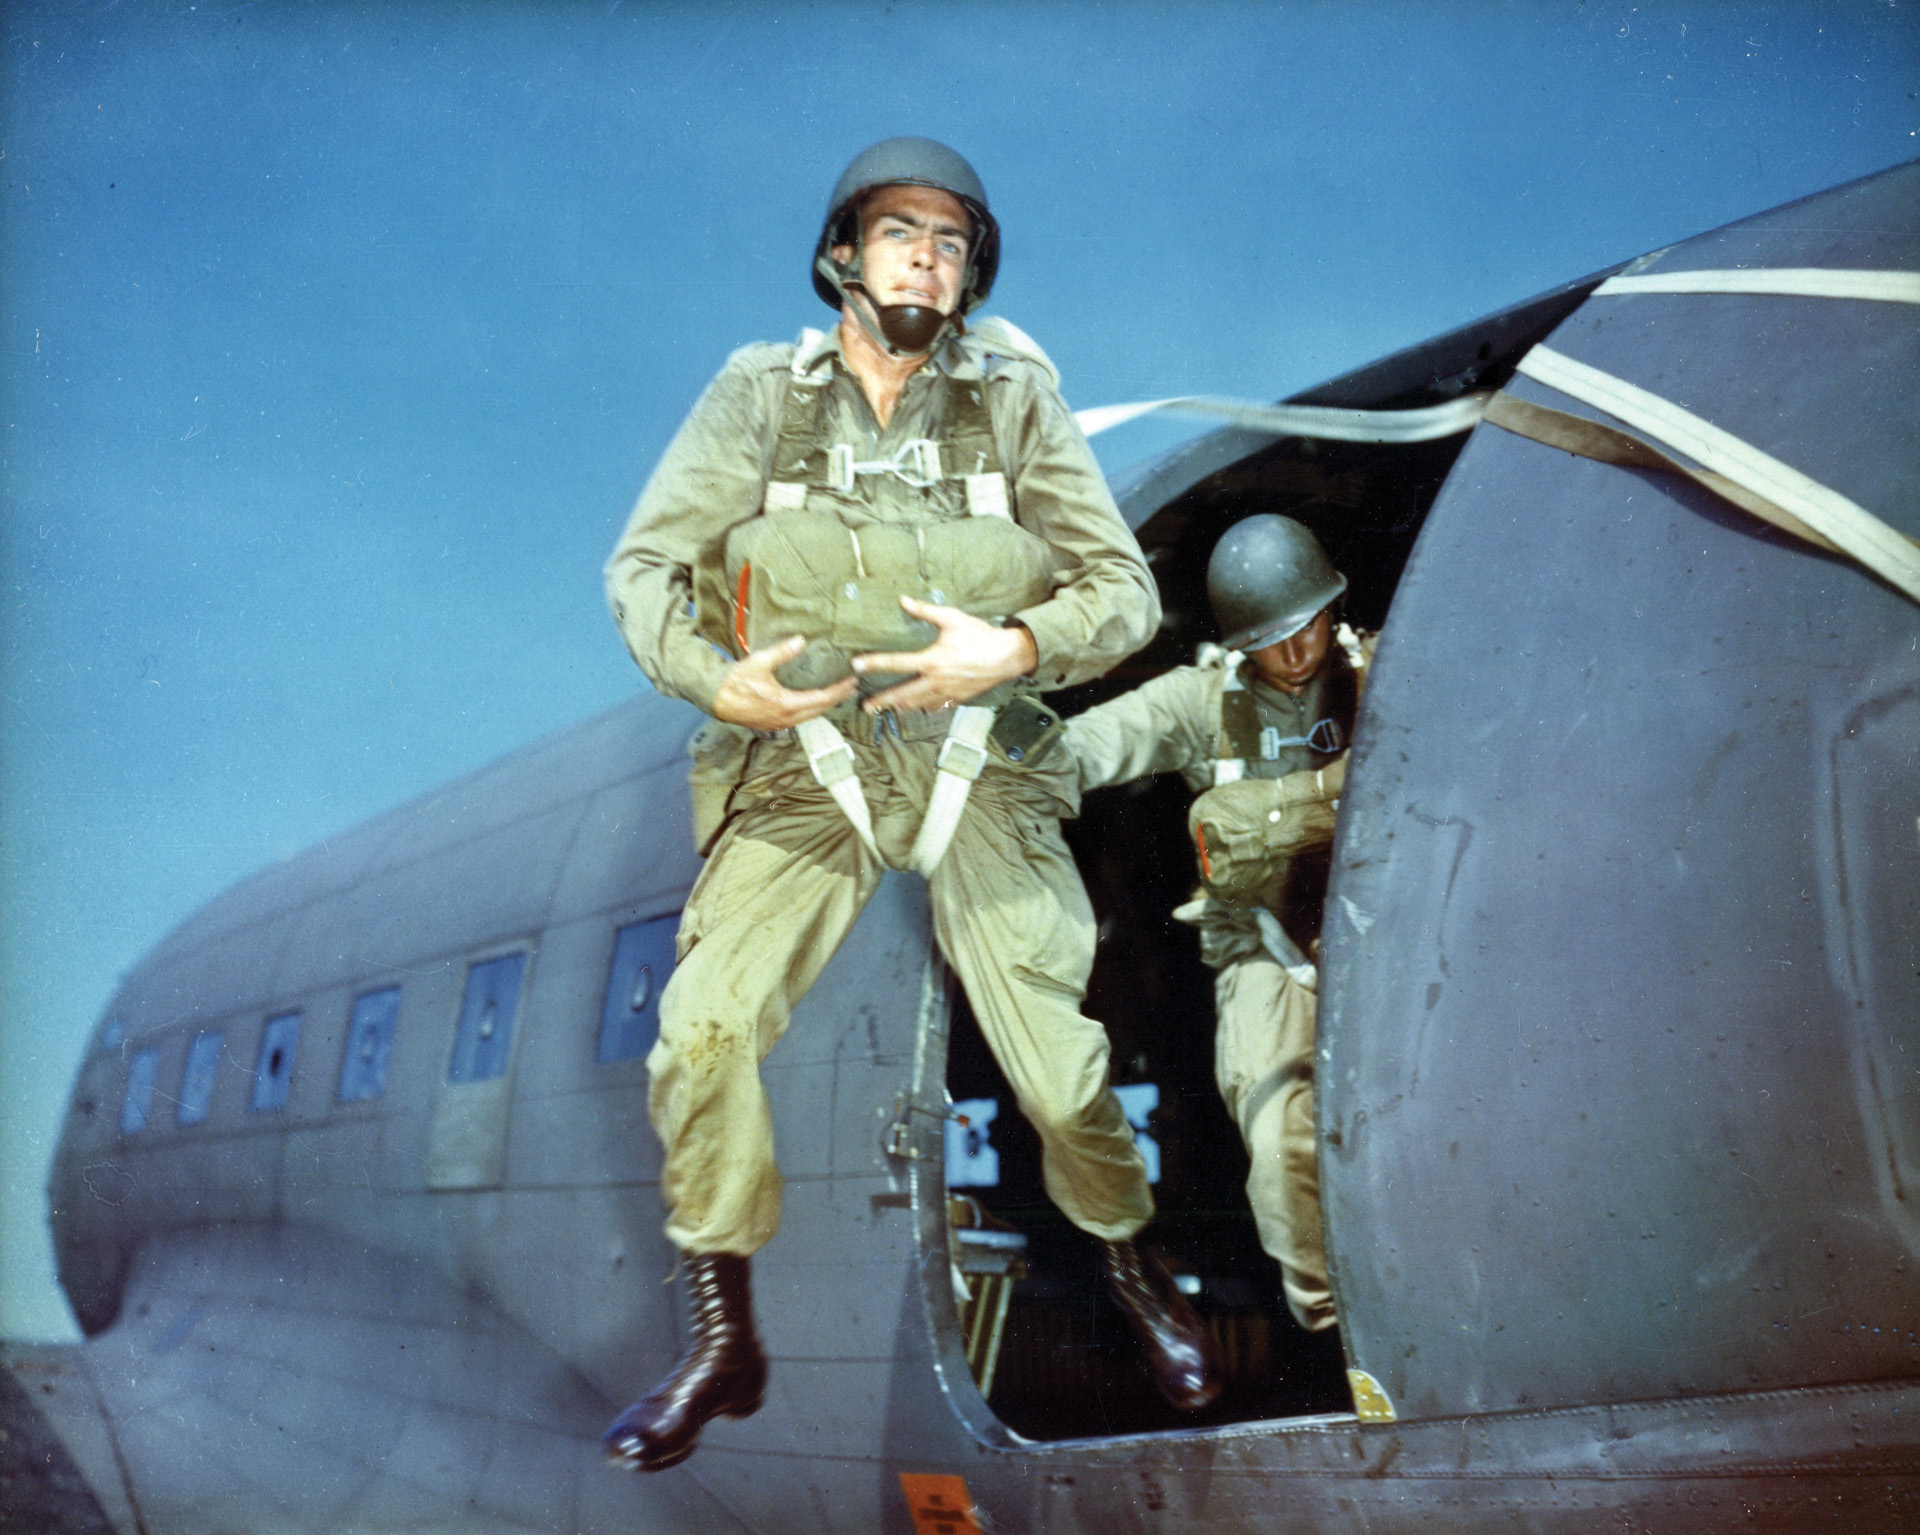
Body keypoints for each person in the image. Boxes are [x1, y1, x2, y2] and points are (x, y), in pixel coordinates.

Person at [600, 137, 1220, 1472]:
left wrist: (1019, 648)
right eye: (900, 233)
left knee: (1060, 1077)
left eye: (950, 242)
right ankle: (722, 1331)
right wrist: (721, 682)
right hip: (802, 768)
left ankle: (1132, 1258)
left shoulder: (1011, 408)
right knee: (698, 1033)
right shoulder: (759, 395)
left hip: (972, 758)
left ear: (970, 274)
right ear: (843, 253)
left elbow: (1119, 591)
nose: (926, 258)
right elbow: (644, 566)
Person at [1062, 514, 1372, 1344]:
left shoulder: (1381, 670)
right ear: (1241, 643)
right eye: (1272, 639)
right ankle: (1335, 1331)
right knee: (1276, 1142)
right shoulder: (1204, 702)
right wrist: (991, 756)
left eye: (1307, 625)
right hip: (1264, 948)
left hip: (1381, 930)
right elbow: (1093, 741)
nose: (1298, 653)